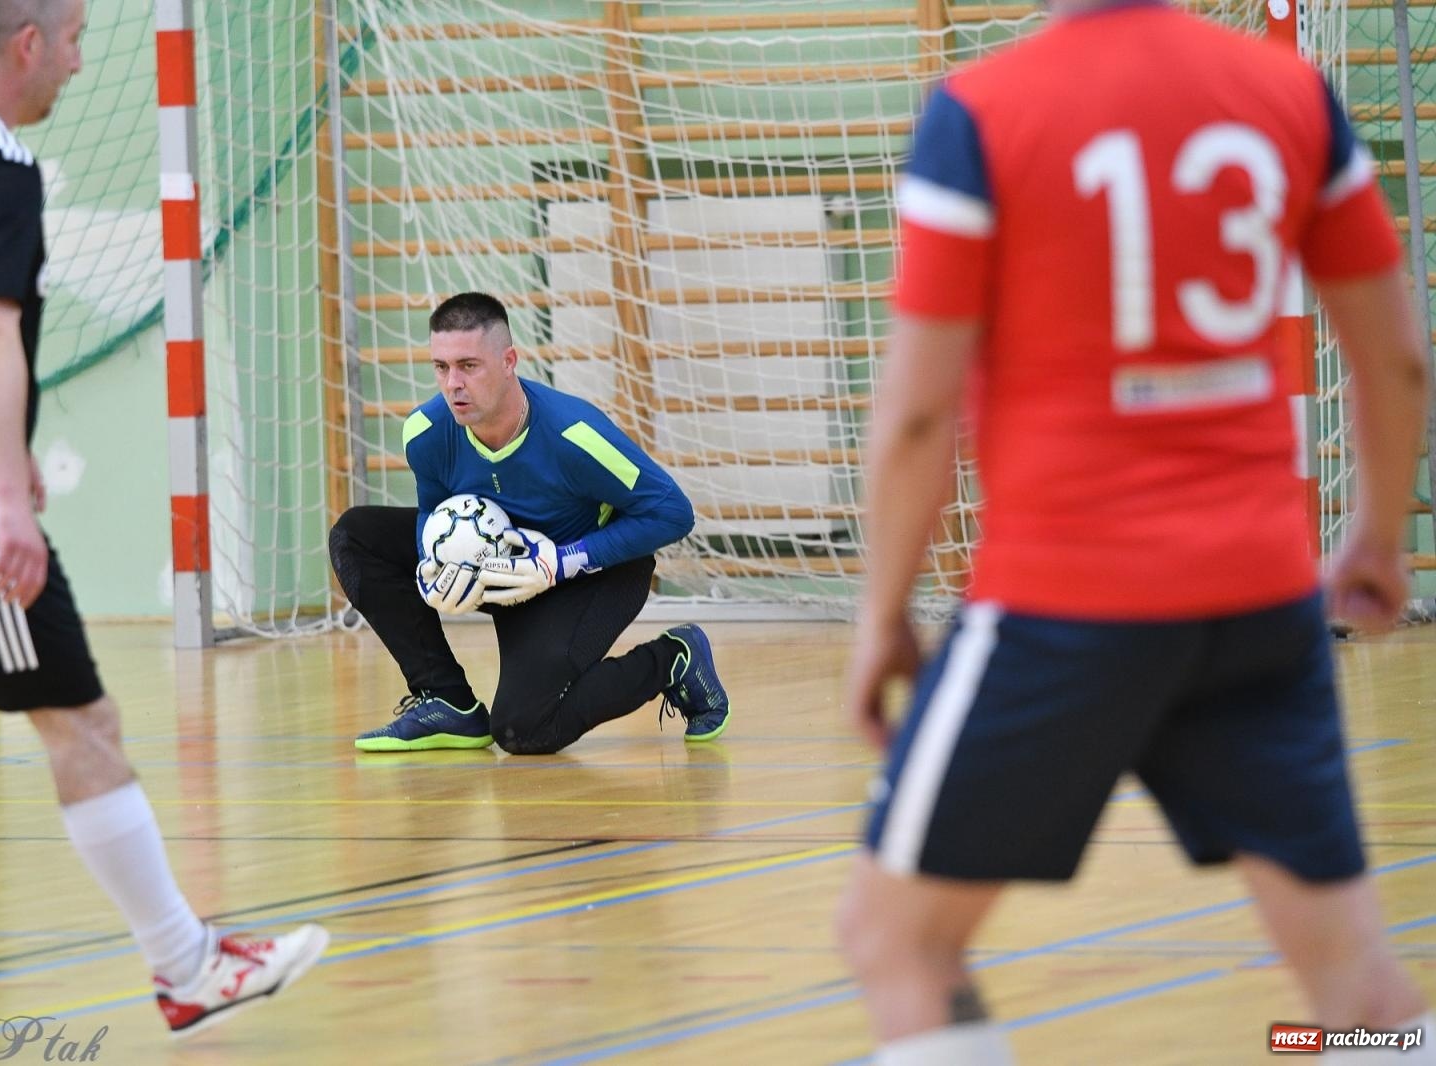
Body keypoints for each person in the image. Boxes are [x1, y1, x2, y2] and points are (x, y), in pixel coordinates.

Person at [837, 2, 1436, 1063]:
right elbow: (1394, 359)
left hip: (1064, 604)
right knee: (1353, 981)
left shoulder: (980, 110)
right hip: (1259, 600)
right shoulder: (1291, 94)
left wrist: (880, 614)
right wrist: (1376, 539)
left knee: (896, 941)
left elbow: (919, 413)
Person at [0, 0, 326, 1037]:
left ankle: (189, 959)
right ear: (26, 44)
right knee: (82, 720)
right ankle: (187, 965)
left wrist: (5, 453)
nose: (75, 62)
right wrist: (5, 493)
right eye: (74, 42)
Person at [330, 292, 730, 754]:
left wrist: (564, 561)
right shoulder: (425, 432)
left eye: (468, 366)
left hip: (588, 576)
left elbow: (672, 512)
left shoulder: (574, 434)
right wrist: (429, 559)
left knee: (525, 730)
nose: (453, 384)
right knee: (356, 535)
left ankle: (673, 661)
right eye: (441, 367)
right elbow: (432, 511)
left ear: (509, 361)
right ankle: (446, 700)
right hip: (499, 571)